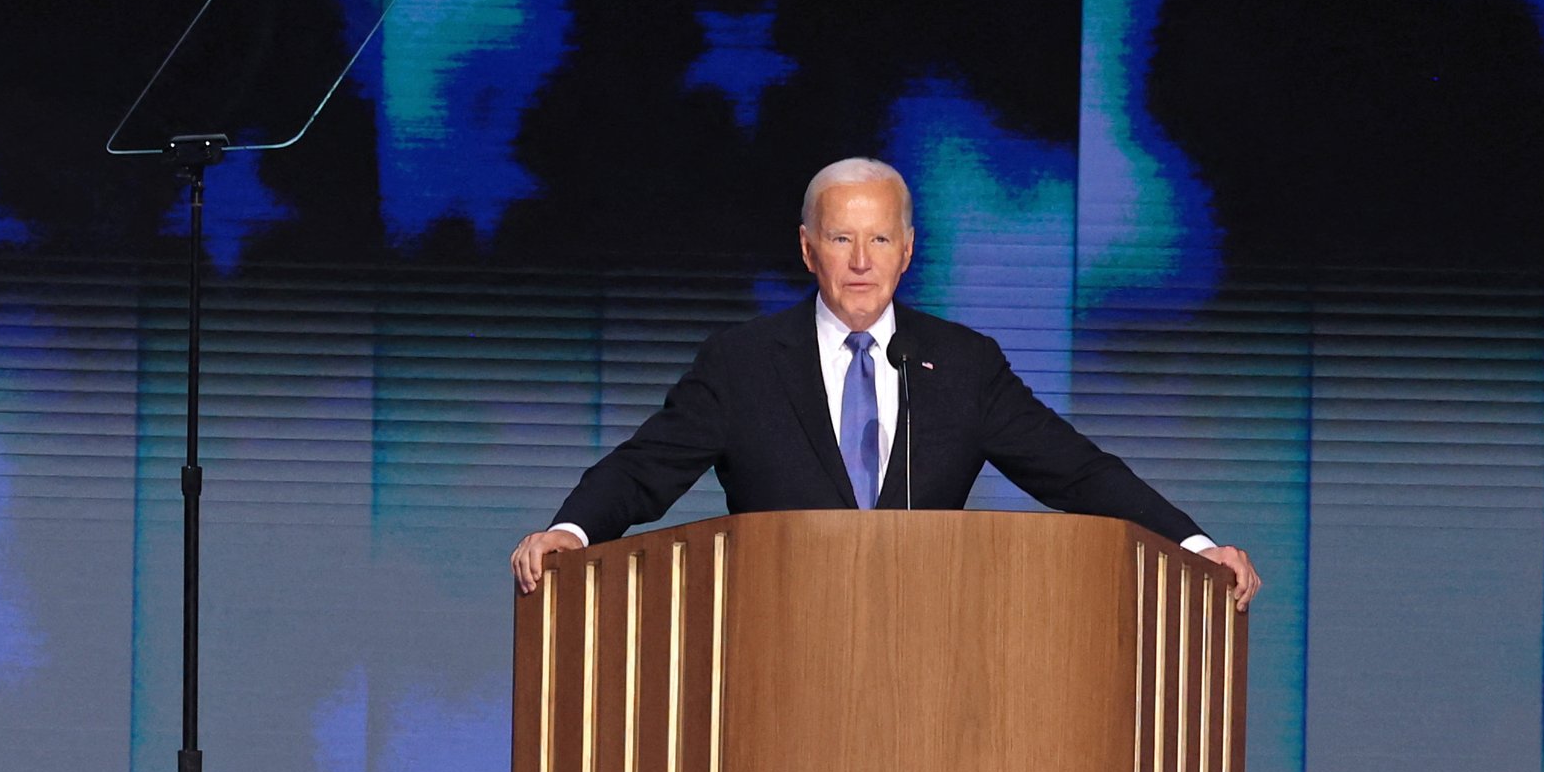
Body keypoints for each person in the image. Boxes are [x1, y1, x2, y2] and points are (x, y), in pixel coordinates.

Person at [507, 158, 1264, 607]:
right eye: (841, 239)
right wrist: (568, 532)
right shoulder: (743, 362)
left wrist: (1192, 546)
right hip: (774, 651)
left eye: (878, 240)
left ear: (907, 251)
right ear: (808, 250)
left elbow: (1075, 472)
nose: (860, 261)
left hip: (931, 655)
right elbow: (644, 469)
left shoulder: (962, 364)